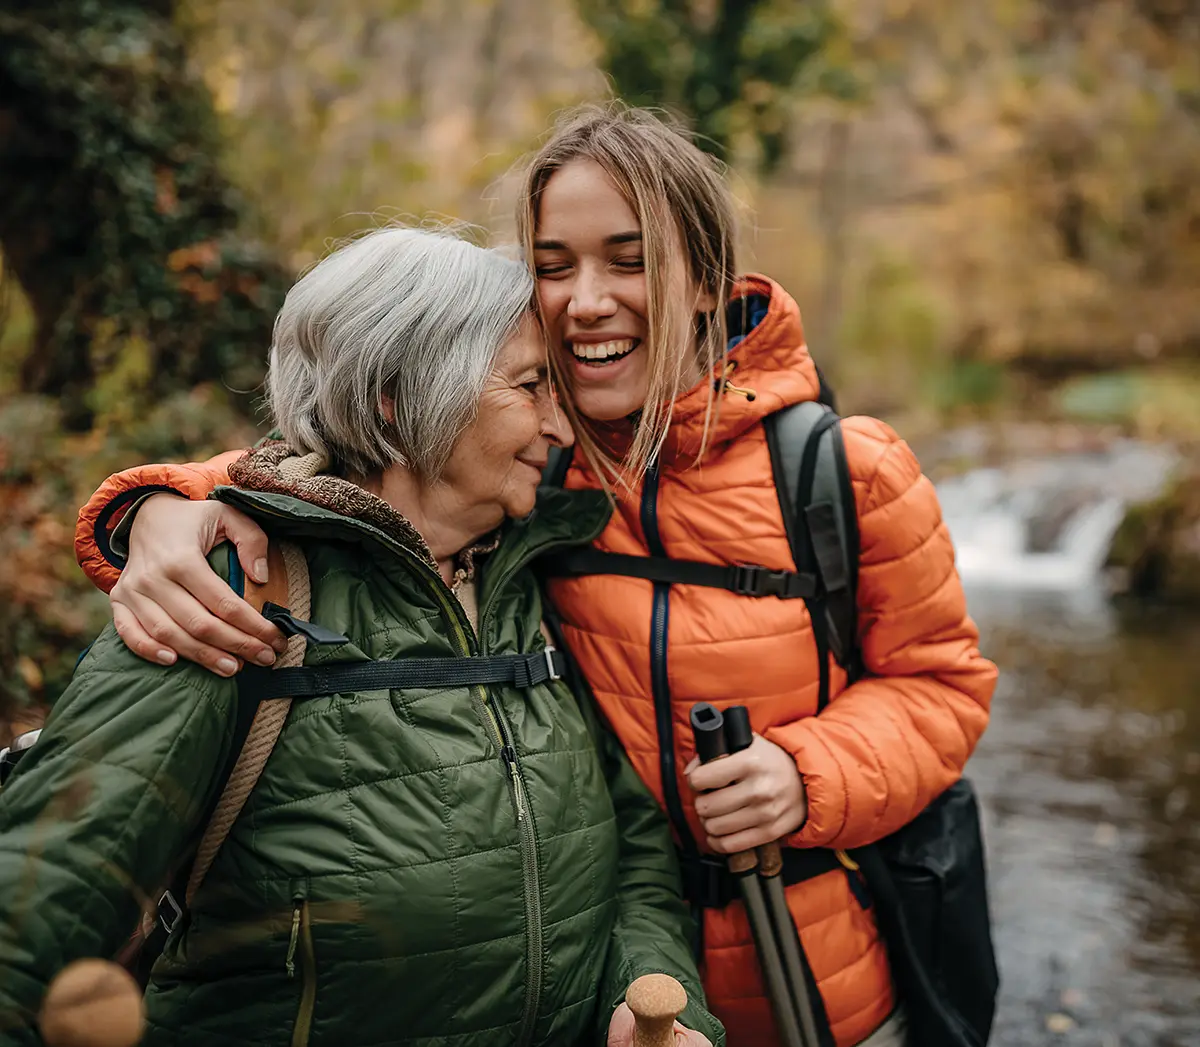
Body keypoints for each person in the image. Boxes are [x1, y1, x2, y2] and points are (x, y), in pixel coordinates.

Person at [72, 104, 998, 1047]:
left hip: (814, 980)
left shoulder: (844, 471)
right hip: (593, 987)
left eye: (628, 260)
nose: (584, 300)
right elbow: (339, 461)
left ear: (709, 277)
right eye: (553, 266)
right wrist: (161, 504)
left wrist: (810, 772)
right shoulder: (523, 456)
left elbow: (945, 687)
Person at [0, 226, 723, 1047]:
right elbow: (37, 906)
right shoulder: (231, 594)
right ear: (398, 397)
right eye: (530, 386)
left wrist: (650, 1000)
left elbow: (631, 855)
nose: (562, 427)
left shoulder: (532, 586)